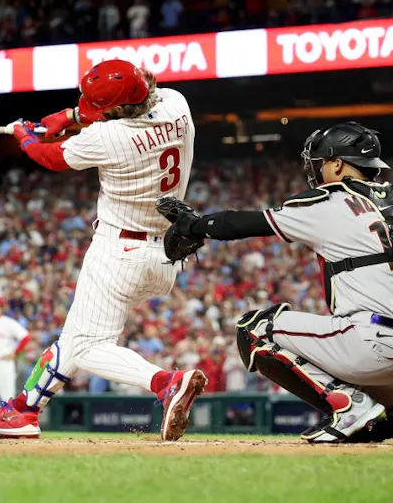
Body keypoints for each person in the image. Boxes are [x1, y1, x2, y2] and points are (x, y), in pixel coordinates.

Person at [0, 59, 207, 441]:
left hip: (119, 250)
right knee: (74, 339)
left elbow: (51, 156)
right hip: (165, 255)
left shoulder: (109, 138)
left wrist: (24, 136)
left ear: (120, 108)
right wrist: (69, 116)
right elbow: (116, 115)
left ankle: (165, 382)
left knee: (89, 346)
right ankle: (24, 411)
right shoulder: (177, 102)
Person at [157, 122, 393, 443]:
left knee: (255, 329)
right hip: (378, 347)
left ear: (337, 163)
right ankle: (377, 421)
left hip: (374, 343)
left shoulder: (331, 200)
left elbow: (242, 223)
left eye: (322, 162)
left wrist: (194, 225)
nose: (317, 169)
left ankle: (349, 407)